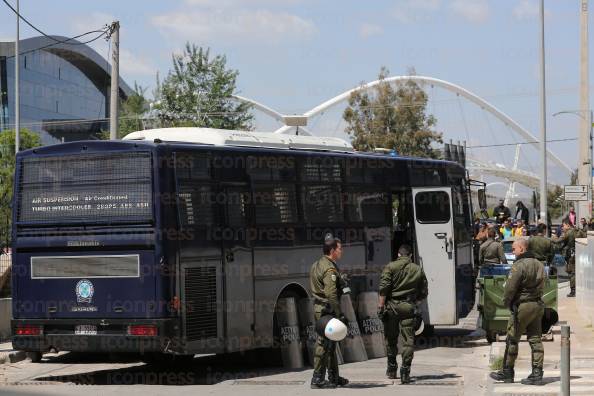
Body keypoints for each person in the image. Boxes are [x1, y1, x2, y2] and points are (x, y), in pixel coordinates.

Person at [490, 238, 545, 385]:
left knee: (512, 339)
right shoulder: (540, 264)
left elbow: (510, 288)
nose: (512, 252)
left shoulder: (518, 266)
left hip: (522, 306)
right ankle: (537, 374)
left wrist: (507, 303)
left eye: (514, 249)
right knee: (535, 339)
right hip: (537, 304)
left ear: (521, 249)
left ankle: (507, 372)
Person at [378, 244, 428, 384]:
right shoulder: (417, 269)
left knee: (391, 339)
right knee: (408, 341)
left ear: (398, 255)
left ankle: (392, 369)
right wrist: (414, 303)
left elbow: (383, 288)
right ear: (410, 256)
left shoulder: (390, 267)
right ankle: (405, 371)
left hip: (391, 307)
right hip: (408, 307)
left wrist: (380, 306)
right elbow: (424, 292)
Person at [309, 234, 349, 388]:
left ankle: (334, 377)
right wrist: (340, 314)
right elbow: (331, 294)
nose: (341, 251)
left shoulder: (316, 264)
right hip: (327, 310)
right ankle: (317, 378)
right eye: (340, 248)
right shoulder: (330, 269)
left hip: (320, 308)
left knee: (331, 343)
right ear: (332, 250)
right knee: (323, 344)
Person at [554, 219, 577, 297]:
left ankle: (573, 291)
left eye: (563, 225)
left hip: (571, 255)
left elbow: (557, 241)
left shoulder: (568, 232)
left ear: (568, 225)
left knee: (572, 272)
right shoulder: (576, 230)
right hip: (576, 253)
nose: (562, 227)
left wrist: (553, 237)